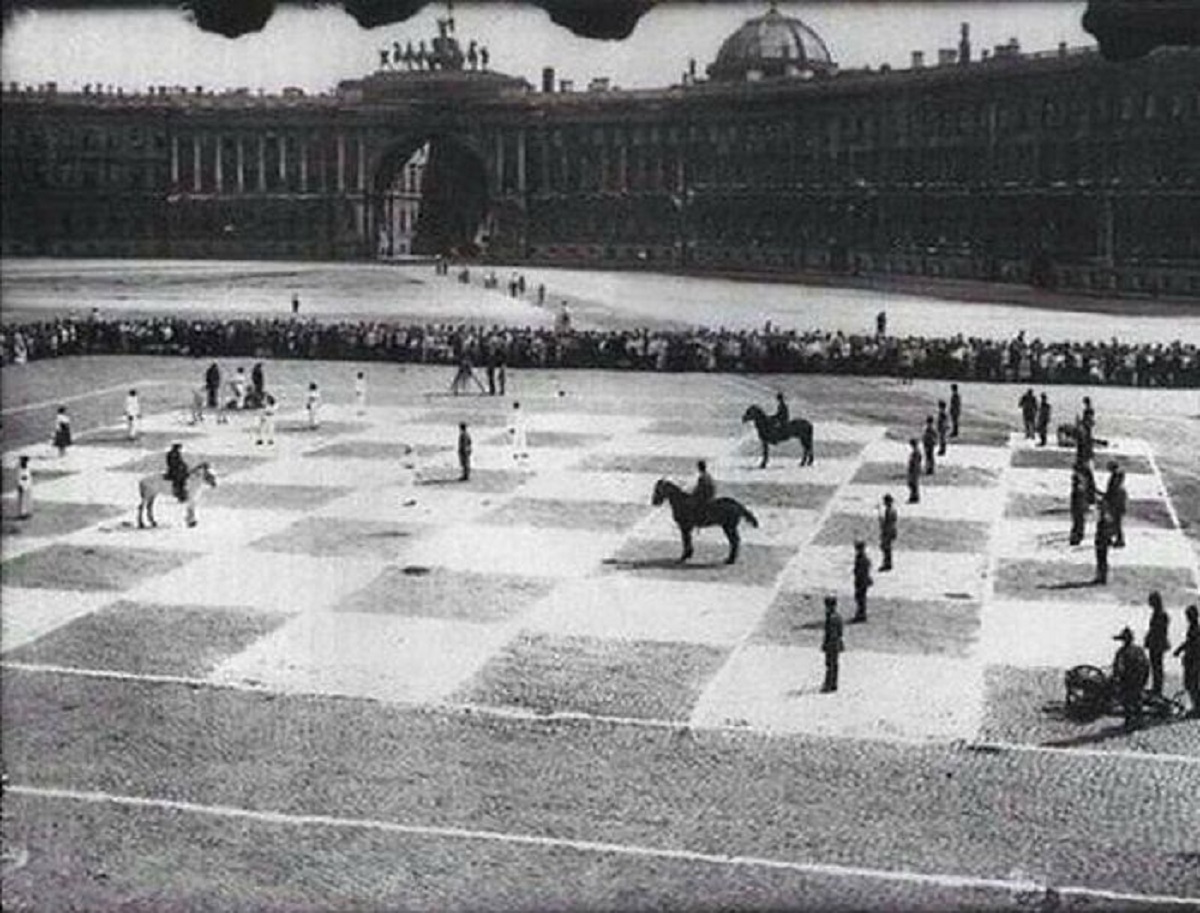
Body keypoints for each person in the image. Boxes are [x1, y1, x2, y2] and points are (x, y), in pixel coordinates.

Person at [1112, 626, 1150, 731]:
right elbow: (1146, 665)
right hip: (1138, 680)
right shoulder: (1139, 650)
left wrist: (1116, 679)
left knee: (1127, 701)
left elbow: (1117, 668)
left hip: (1128, 680)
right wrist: (1144, 679)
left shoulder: (1122, 652)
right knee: (1137, 700)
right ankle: (1139, 720)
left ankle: (1129, 721)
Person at [1173, 604, 1199, 717]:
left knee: (1192, 683)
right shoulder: (1193, 628)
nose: (1187, 618)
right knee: (1191, 683)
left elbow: (1191, 643)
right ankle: (1196, 706)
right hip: (1191, 659)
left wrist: (1179, 650)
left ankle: (1197, 707)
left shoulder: (1195, 629)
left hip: (1194, 660)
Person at [1144, 591, 1171, 697]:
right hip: (1156, 643)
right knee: (1156, 666)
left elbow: (1157, 630)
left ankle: (1157, 688)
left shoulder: (1160, 614)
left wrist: (1150, 637)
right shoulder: (1159, 613)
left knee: (1157, 666)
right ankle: (1156, 687)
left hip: (1157, 644)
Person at [821, 595, 844, 693]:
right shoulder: (838, 616)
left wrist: (825, 644)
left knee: (830, 664)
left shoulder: (831, 618)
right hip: (837, 643)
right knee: (835, 664)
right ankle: (834, 684)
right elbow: (840, 631)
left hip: (832, 644)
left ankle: (828, 685)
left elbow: (830, 633)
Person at [1103, 464, 1127, 548]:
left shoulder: (1115, 480)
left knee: (1115, 524)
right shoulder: (1118, 481)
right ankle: (1112, 538)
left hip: (1115, 505)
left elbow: (1111, 492)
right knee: (1114, 523)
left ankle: (1119, 540)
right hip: (1117, 505)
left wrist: (1106, 498)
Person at [1068, 460, 1090, 546]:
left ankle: (1076, 537)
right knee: (1079, 521)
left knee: (1078, 521)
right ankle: (1078, 536)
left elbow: (1079, 492)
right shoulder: (1083, 479)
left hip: (1078, 503)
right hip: (1080, 502)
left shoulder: (1079, 480)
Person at [852, 540, 873, 623]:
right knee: (859, 597)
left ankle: (861, 615)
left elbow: (862, 570)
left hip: (861, 581)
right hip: (861, 580)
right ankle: (861, 614)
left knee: (860, 598)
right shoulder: (861, 557)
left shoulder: (862, 558)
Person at [1093, 501, 1113, 584]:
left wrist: (1101, 541)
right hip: (1102, 541)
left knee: (1102, 560)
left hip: (1102, 542)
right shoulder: (1106, 517)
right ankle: (1101, 577)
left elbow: (1105, 531)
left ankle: (1102, 577)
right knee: (1101, 560)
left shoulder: (1104, 519)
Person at [878, 494, 897, 571]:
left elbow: (887, 522)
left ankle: (887, 563)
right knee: (887, 548)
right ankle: (888, 563)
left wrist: (881, 521)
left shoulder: (889, 511)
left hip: (888, 531)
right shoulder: (892, 510)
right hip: (891, 530)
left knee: (886, 548)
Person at [15, 455, 33, 519]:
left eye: (26, 461)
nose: (25, 462)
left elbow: (29, 475)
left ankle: (27, 512)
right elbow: (18, 477)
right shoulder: (19, 467)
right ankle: (21, 513)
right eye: (24, 461)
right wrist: (20, 484)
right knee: (22, 500)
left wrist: (29, 483)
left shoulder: (27, 466)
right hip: (22, 484)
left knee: (27, 498)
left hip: (28, 484)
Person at [906, 438, 922, 504]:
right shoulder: (915, 452)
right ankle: (914, 496)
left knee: (913, 484)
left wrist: (912, 470)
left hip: (914, 470)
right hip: (914, 470)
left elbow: (915, 462)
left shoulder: (916, 452)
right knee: (912, 484)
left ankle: (914, 497)